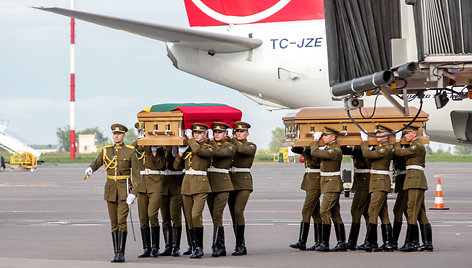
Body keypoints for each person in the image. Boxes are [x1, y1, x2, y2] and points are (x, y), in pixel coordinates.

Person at [84, 123, 136, 263]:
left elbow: (137, 175)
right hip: (111, 190)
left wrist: (134, 192)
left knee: (121, 221)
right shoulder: (106, 150)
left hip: (124, 189)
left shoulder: (130, 151)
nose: (116, 136)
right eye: (114, 134)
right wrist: (90, 169)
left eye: (119, 134)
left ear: (124, 135)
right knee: (114, 222)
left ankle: (121, 253)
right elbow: (97, 162)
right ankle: (116, 252)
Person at [174, 123, 214, 258]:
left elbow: (198, 151)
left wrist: (189, 137)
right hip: (187, 185)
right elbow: (176, 166)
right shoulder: (189, 149)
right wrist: (180, 153)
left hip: (201, 185)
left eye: (200, 133)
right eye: (195, 133)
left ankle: (200, 247)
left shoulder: (208, 148)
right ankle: (194, 246)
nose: (197, 135)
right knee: (189, 219)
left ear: (205, 134)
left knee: (196, 215)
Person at [394, 124, 432, 252]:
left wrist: (397, 141)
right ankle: (427, 243)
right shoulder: (414, 146)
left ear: (414, 134)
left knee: (411, 211)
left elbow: (398, 152)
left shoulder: (416, 146)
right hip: (414, 180)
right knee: (420, 213)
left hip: (415, 181)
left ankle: (411, 243)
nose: (405, 135)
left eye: (407, 133)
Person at [359, 125, 393, 252]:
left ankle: (370, 242)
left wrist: (364, 141)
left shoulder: (386, 148)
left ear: (386, 136)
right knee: (383, 213)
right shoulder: (380, 148)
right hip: (377, 183)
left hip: (381, 183)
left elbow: (367, 154)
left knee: (372, 211)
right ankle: (388, 243)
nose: (376, 135)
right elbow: (370, 160)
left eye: (379, 134)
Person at [310, 126, 345, 252]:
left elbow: (314, 152)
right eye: (322, 135)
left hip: (332, 185)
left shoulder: (335, 150)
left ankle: (325, 243)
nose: (323, 137)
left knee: (324, 211)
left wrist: (315, 139)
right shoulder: (328, 148)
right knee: (335, 214)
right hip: (328, 184)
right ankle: (342, 243)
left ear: (333, 137)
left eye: (326, 135)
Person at [128, 144, 166, 258]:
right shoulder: (139, 148)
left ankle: (155, 247)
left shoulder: (160, 149)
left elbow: (161, 165)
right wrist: (141, 139)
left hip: (155, 185)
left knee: (152, 214)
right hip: (141, 186)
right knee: (143, 218)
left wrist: (154, 152)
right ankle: (146, 248)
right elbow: (129, 149)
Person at [207, 122, 236, 257]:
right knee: (214, 217)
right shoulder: (208, 145)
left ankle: (216, 246)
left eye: (219, 132)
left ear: (226, 133)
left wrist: (211, 141)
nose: (217, 134)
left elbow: (218, 154)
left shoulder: (230, 146)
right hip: (209, 184)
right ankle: (221, 246)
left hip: (223, 185)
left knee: (217, 215)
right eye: (215, 132)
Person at [228, 121, 257, 256]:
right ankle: (239, 243)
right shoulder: (231, 145)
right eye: (237, 131)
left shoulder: (250, 146)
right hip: (230, 182)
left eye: (241, 131)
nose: (238, 133)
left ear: (247, 133)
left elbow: (241, 150)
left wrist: (231, 139)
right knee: (234, 214)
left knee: (239, 211)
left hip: (244, 182)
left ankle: (240, 245)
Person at [289, 146, 322, 251]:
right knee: (315, 213)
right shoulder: (309, 148)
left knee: (306, 210)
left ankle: (302, 241)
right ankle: (318, 242)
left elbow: (315, 163)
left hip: (315, 182)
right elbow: (293, 149)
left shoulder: (318, 150)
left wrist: (308, 152)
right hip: (310, 182)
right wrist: (304, 146)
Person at [159, 146, 184, 256]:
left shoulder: (178, 146)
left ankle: (176, 246)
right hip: (163, 186)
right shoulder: (159, 147)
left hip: (176, 186)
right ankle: (168, 246)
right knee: (165, 218)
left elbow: (177, 165)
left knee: (175, 217)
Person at [345, 146, 371, 250]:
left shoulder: (367, 148)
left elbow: (365, 156)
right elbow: (345, 151)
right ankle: (370, 240)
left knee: (356, 210)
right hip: (361, 181)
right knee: (366, 212)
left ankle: (353, 241)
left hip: (365, 182)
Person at [391, 153, 409, 250]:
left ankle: (395, 241)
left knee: (398, 210)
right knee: (407, 212)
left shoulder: (405, 149)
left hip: (406, 182)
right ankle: (413, 240)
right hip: (403, 181)